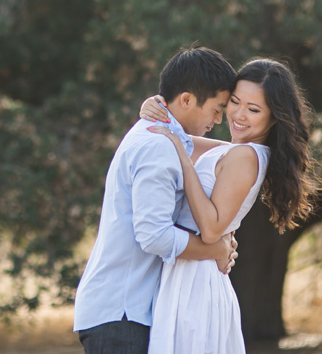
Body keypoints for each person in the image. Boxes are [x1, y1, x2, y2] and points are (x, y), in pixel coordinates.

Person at [139, 57, 322, 354]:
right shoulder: (237, 152)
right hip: (189, 273)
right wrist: (154, 107)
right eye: (234, 102)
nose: (238, 115)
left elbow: (211, 230)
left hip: (195, 282)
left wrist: (185, 164)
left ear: (273, 117)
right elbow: (177, 138)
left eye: (253, 110)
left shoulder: (246, 157)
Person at [73, 45, 241, 354]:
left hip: (126, 311)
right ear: (187, 100)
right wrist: (214, 248)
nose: (218, 119)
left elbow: (219, 151)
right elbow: (154, 235)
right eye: (217, 109)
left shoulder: (166, 137)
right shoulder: (158, 145)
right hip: (121, 313)